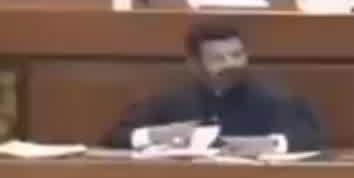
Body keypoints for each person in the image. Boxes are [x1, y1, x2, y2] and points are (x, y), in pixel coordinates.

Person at [106, 27, 324, 150]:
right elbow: (115, 138)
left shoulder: (273, 99)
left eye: (237, 55)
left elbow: (313, 137)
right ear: (195, 65)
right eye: (218, 59)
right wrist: (158, 134)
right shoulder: (171, 100)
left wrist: (268, 144)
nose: (231, 64)